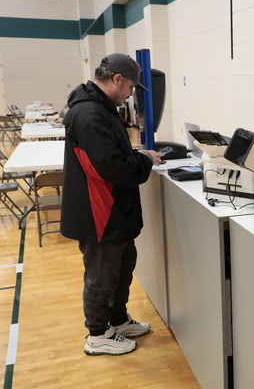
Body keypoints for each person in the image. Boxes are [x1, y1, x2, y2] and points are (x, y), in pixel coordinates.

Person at [61, 53, 164, 356]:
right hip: (99, 212)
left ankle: (117, 320)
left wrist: (136, 154)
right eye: (131, 87)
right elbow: (112, 166)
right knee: (102, 274)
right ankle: (96, 334)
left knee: (122, 267)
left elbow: (111, 154)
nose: (131, 94)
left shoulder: (101, 109)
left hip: (113, 211)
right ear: (117, 79)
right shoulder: (90, 114)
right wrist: (143, 159)